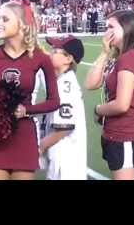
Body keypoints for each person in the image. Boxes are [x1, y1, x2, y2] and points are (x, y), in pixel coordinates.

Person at [0, 0, 60, 180]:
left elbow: (54, 101)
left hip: (25, 135)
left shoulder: (41, 59)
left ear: (22, 24)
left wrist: (26, 110)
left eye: (5, 19)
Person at [85, 10, 134, 180]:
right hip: (115, 132)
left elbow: (122, 104)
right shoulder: (119, 57)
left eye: (111, 27)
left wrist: (98, 109)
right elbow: (91, 83)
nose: (106, 32)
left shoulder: (130, 58)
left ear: (127, 28)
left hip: (125, 132)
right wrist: (105, 53)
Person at [38, 35, 87, 180]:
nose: (50, 53)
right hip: (60, 159)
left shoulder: (66, 87)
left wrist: (39, 147)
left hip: (66, 164)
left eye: (54, 51)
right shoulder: (61, 80)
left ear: (68, 59)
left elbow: (64, 129)